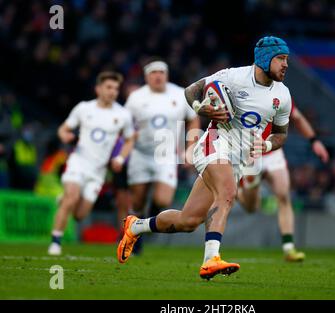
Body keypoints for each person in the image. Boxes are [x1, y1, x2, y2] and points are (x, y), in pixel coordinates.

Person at [118, 36, 292, 280]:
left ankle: (136, 226)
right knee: (228, 192)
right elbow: (192, 91)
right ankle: (211, 259)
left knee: (188, 221)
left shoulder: (283, 95)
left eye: (287, 59)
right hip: (214, 144)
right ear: (265, 58)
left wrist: (265, 144)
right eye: (281, 59)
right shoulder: (233, 77)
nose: (286, 64)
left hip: (238, 159)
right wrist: (201, 108)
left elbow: (281, 134)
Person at [48, 71, 135, 255]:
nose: (112, 91)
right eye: (108, 87)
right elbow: (63, 129)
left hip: (98, 172)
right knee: (71, 197)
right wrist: (65, 136)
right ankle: (55, 242)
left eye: (116, 88)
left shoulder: (122, 115)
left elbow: (130, 139)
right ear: (98, 89)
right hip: (78, 163)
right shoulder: (83, 108)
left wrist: (120, 157)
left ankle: (64, 201)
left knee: (80, 215)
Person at [237, 104, 329, 262]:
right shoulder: (244, 89)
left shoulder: (280, 94)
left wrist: (314, 141)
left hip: (272, 152)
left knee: (284, 196)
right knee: (252, 207)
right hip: (248, 152)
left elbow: (297, 118)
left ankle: (289, 248)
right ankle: (240, 191)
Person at [124, 59, 200, 229]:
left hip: (166, 153)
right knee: (138, 200)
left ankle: (147, 220)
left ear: (166, 75)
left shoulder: (180, 94)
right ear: (146, 76)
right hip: (141, 153)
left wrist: (190, 148)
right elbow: (126, 123)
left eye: (161, 72)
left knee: (163, 199)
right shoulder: (136, 97)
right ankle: (136, 230)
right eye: (153, 73)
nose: (158, 76)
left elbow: (193, 120)